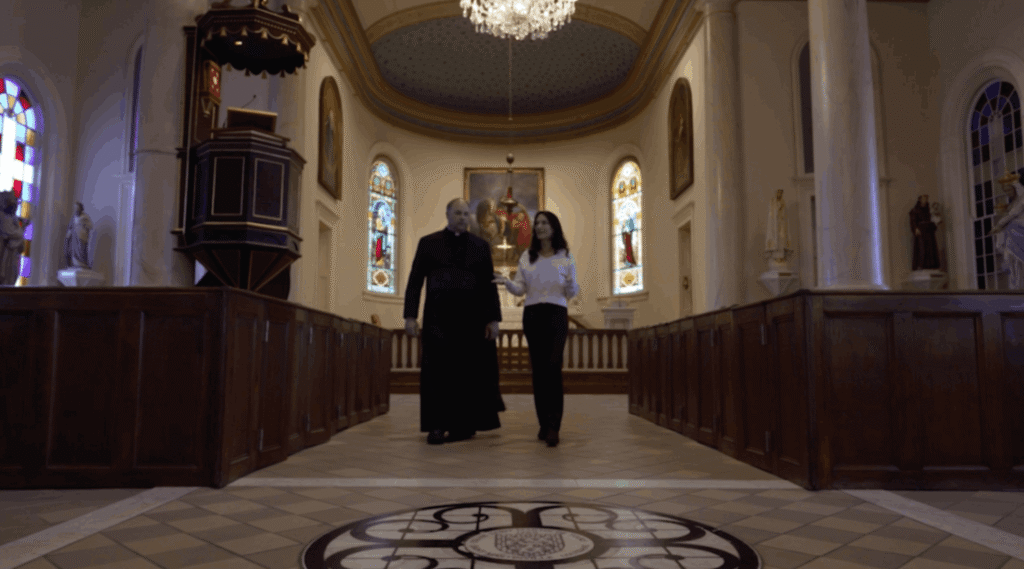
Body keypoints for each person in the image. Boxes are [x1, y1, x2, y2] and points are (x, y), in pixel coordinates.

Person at [404, 198, 504, 445]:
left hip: (471, 321)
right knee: (437, 373)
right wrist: (410, 315)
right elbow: (415, 281)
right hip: (438, 319)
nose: (462, 217)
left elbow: (489, 285)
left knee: (467, 373)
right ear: (447, 214)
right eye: (458, 213)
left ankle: (463, 425)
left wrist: (493, 319)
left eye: (466, 213)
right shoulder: (429, 243)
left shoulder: (481, 246)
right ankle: (436, 426)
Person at [492, 211, 579, 447]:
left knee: (553, 367)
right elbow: (520, 289)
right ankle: (543, 424)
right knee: (539, 371)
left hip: (556, 314)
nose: (540, 226)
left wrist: (572, 284)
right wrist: (506, 282)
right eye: (537, 223)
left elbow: (571, 293)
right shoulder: (527, 257)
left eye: (544, 223)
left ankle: (554, 426)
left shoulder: (565, 256)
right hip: (533, 315)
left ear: (554, 227)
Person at [0, 191, 29, 286]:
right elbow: (12, 233)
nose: (15, 206)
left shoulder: (13, 218)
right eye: (13, 203)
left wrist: (22, 227)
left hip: (12, 254)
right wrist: (21, 230)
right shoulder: (3, 217)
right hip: (4, 253)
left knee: (11, 276)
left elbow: (17, 236)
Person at [910, 194, 940, 270]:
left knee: (931, 248)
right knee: (922, 248)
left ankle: (931, 265)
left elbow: (933, 219)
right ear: (920, 200)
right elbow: (913, 220)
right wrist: (915, 228)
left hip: (929, 231)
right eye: (923, 199)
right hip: (921, 231)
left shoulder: (929, 210)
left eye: (926, 199)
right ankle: (921, 264)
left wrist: (935, 221)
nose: (925, 200)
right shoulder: (915, 210)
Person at [64, 202, 93, 269]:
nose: (76, 209)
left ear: (81, 208)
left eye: (77, 208)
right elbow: (70, 227)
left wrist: (84, 224)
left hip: (82, 237)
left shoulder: (85, 217)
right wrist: (69, 234)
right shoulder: (73, 217)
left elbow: (90, 226)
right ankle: (75, 263)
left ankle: (82, 263)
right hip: (74, 237)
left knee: (81, 249)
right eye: (75, 208)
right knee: (74, 250)